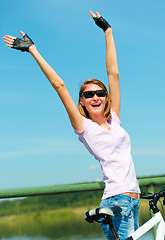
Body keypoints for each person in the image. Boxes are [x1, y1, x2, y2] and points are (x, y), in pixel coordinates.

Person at [3, 11, 140, 240]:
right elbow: (60, 85)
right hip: (116, 201)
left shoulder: (114, 120)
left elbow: (113, 74)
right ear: (82, 102)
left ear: (106, 98)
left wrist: (108, 31)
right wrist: (33, 50)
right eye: (88, 95)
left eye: (100, 93)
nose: (95, 97)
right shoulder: (84, 127)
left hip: (134, 198)